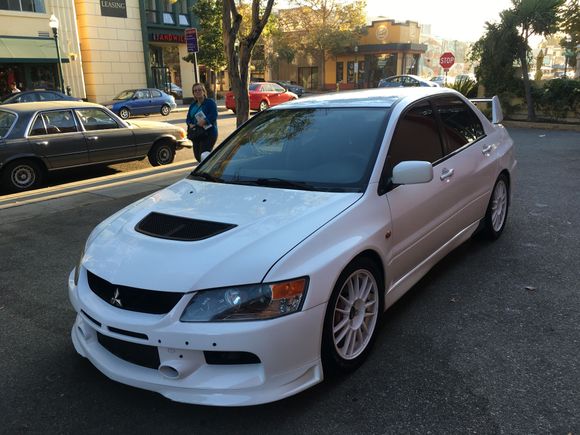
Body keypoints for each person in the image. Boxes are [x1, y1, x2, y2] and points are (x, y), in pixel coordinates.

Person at [186, 83, 218, 162]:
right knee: (197, 156)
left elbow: (214, 115)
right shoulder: (193, 105)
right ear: (193, 93)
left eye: (199, 90)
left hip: (208, 133)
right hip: (197, 133)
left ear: (204, 91)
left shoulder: (210, 102)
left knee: (204, 155)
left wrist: (205, 121)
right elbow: (188, 118)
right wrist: (189, 124)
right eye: (195, 91)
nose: (197, 92)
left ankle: (211, 167)